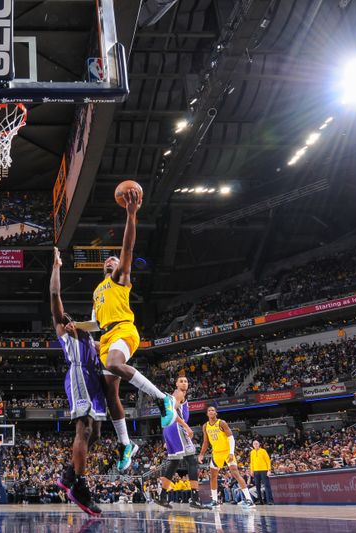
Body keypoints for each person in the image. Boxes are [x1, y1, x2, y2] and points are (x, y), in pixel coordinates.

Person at [79, 188, 170, 472]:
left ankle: (162, 398)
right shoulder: (97, 290)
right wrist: (75, 328)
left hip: (124, 330)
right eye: (107, 260)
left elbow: (127, 248)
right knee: (110, 396)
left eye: (114, 260)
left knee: (114, 363)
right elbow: (94, 324)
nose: (111, 260)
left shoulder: (121, 279)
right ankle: (126, 444)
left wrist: (131, 215)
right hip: (106, 335)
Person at [50, 248, 108, 516]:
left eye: (74, 320)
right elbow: (54, 296)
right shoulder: (67, 333)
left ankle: (69, 474)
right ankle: (80, 486)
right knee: (83, 430)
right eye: (68, 320)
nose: (71, 321)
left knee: (95, 433)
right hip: (78, 374)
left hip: (94, 380)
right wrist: (57, 267)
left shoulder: (90, 339)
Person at [154, 376, 209, 509]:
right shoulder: (178, 394)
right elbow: (171, 412)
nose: (184, 383)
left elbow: (166, 413)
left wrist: (167, 438)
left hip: (169, 429)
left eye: (186, 381)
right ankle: (195, 499)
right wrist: (186, 426)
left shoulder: (176, 395)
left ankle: (162, 497)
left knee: (174, 462)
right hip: (176, 428)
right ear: (177, 384)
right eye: (181, 381)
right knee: (191, 460)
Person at [199, 406, 254, 508]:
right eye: (209, 410)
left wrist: (232, 453)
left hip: (227, 451)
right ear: (207, 414)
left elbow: (231, 438)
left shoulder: (221, 423)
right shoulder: (205, 426)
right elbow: (206, 442)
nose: (211, 412)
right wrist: (201, 454)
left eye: (213, 410)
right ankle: (215, 501)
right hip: (216, 453)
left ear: (216, 413)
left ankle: (249, 499)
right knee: (213, 476)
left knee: (235, 473)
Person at [249, 440, 273, 505]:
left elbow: (268, 460)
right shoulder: (252, 452)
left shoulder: (263, 451)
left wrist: (269, 470)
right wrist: (251, 470)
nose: (255, 445)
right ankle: (260, 501)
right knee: (257, 486)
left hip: (264, 470)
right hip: (256, 471)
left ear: (259, 444)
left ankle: (270, 501)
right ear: (253, 445)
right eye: (254, 444)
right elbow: (252, 462)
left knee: (267, 486)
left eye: (257, 444)